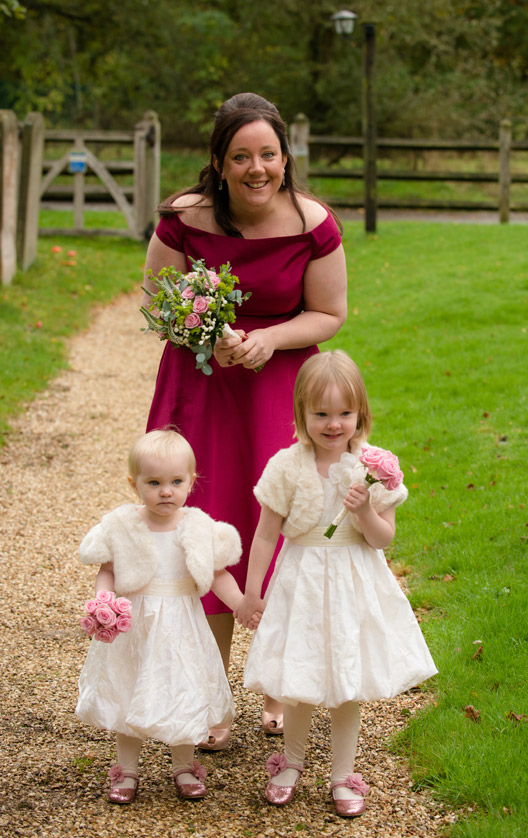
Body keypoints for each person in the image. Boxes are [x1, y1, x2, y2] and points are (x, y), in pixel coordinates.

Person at [142, 92, 347, 749]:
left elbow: (330, 314)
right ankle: (207, 694)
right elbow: (160, 300)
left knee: (285, 528)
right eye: (241, 156)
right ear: (219, 162)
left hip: (282, 388)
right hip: (200, 386)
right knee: (204, 529)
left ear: (286, 157)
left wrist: (271, 338)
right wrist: (211, 331)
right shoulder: (184, 218)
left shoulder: (315, 223)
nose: (257, 168)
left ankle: (281, 688)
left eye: (268, 154)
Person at [234, 350, 438, 818]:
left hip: (352, 581)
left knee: (347, 680)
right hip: (302, 579)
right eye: (320, 413)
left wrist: (365, 508)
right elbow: (265, 533)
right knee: (301, 675)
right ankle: (292, 761)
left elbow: (383, 538)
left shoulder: (371, 468)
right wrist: (252, 591)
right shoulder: (287, 466)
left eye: (344, 413)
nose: (333, 424)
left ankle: (342, 774)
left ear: (360, 414)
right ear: (302, 414)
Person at [75, 429, 253, 804]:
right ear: (134, 483)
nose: (165, 491)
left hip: (181, 627)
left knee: (182, 690)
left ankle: (184, 765)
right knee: (129, 688)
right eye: (153, 483)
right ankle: (127, 769)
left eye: (175, 482)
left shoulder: (198, 527)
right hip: (134, 626)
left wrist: (241, 604)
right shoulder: (123, 526)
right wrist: (103, 600)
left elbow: (218, 574)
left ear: (192, 480)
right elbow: (106, 569)